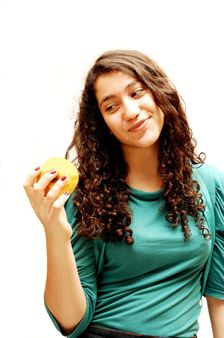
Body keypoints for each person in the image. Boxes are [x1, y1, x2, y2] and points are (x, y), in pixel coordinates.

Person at [23, 50, 224, 338]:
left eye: (136, 92)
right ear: (102, 124)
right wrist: (55, 231)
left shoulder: (212, 183)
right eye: (111, 107)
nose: (130, 112)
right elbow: (70, 321)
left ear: (158, 92)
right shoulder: (87, 195)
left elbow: (220, 295)